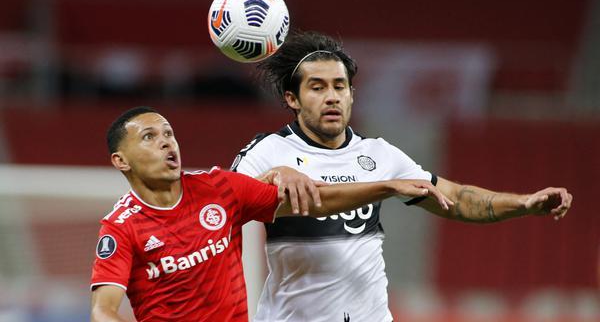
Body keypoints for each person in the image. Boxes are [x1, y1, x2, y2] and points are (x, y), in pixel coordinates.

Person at [231, 31, 574, 322]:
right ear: (292, 98)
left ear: (352, 94)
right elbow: (225, 204)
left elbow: (458, 200)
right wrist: (273, 176)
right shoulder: (268, 151)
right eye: (317, 88)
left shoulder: (378, 154)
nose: (332, 96)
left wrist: (524, 203)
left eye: (340, 86)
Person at [89, 106, 450, 322]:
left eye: (168, 133)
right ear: (120, 161)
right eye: (149, 137)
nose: (167, 141)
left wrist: (386, 186)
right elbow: (103, 310)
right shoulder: (121, 228)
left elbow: (315, 201)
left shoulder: (219, 189)